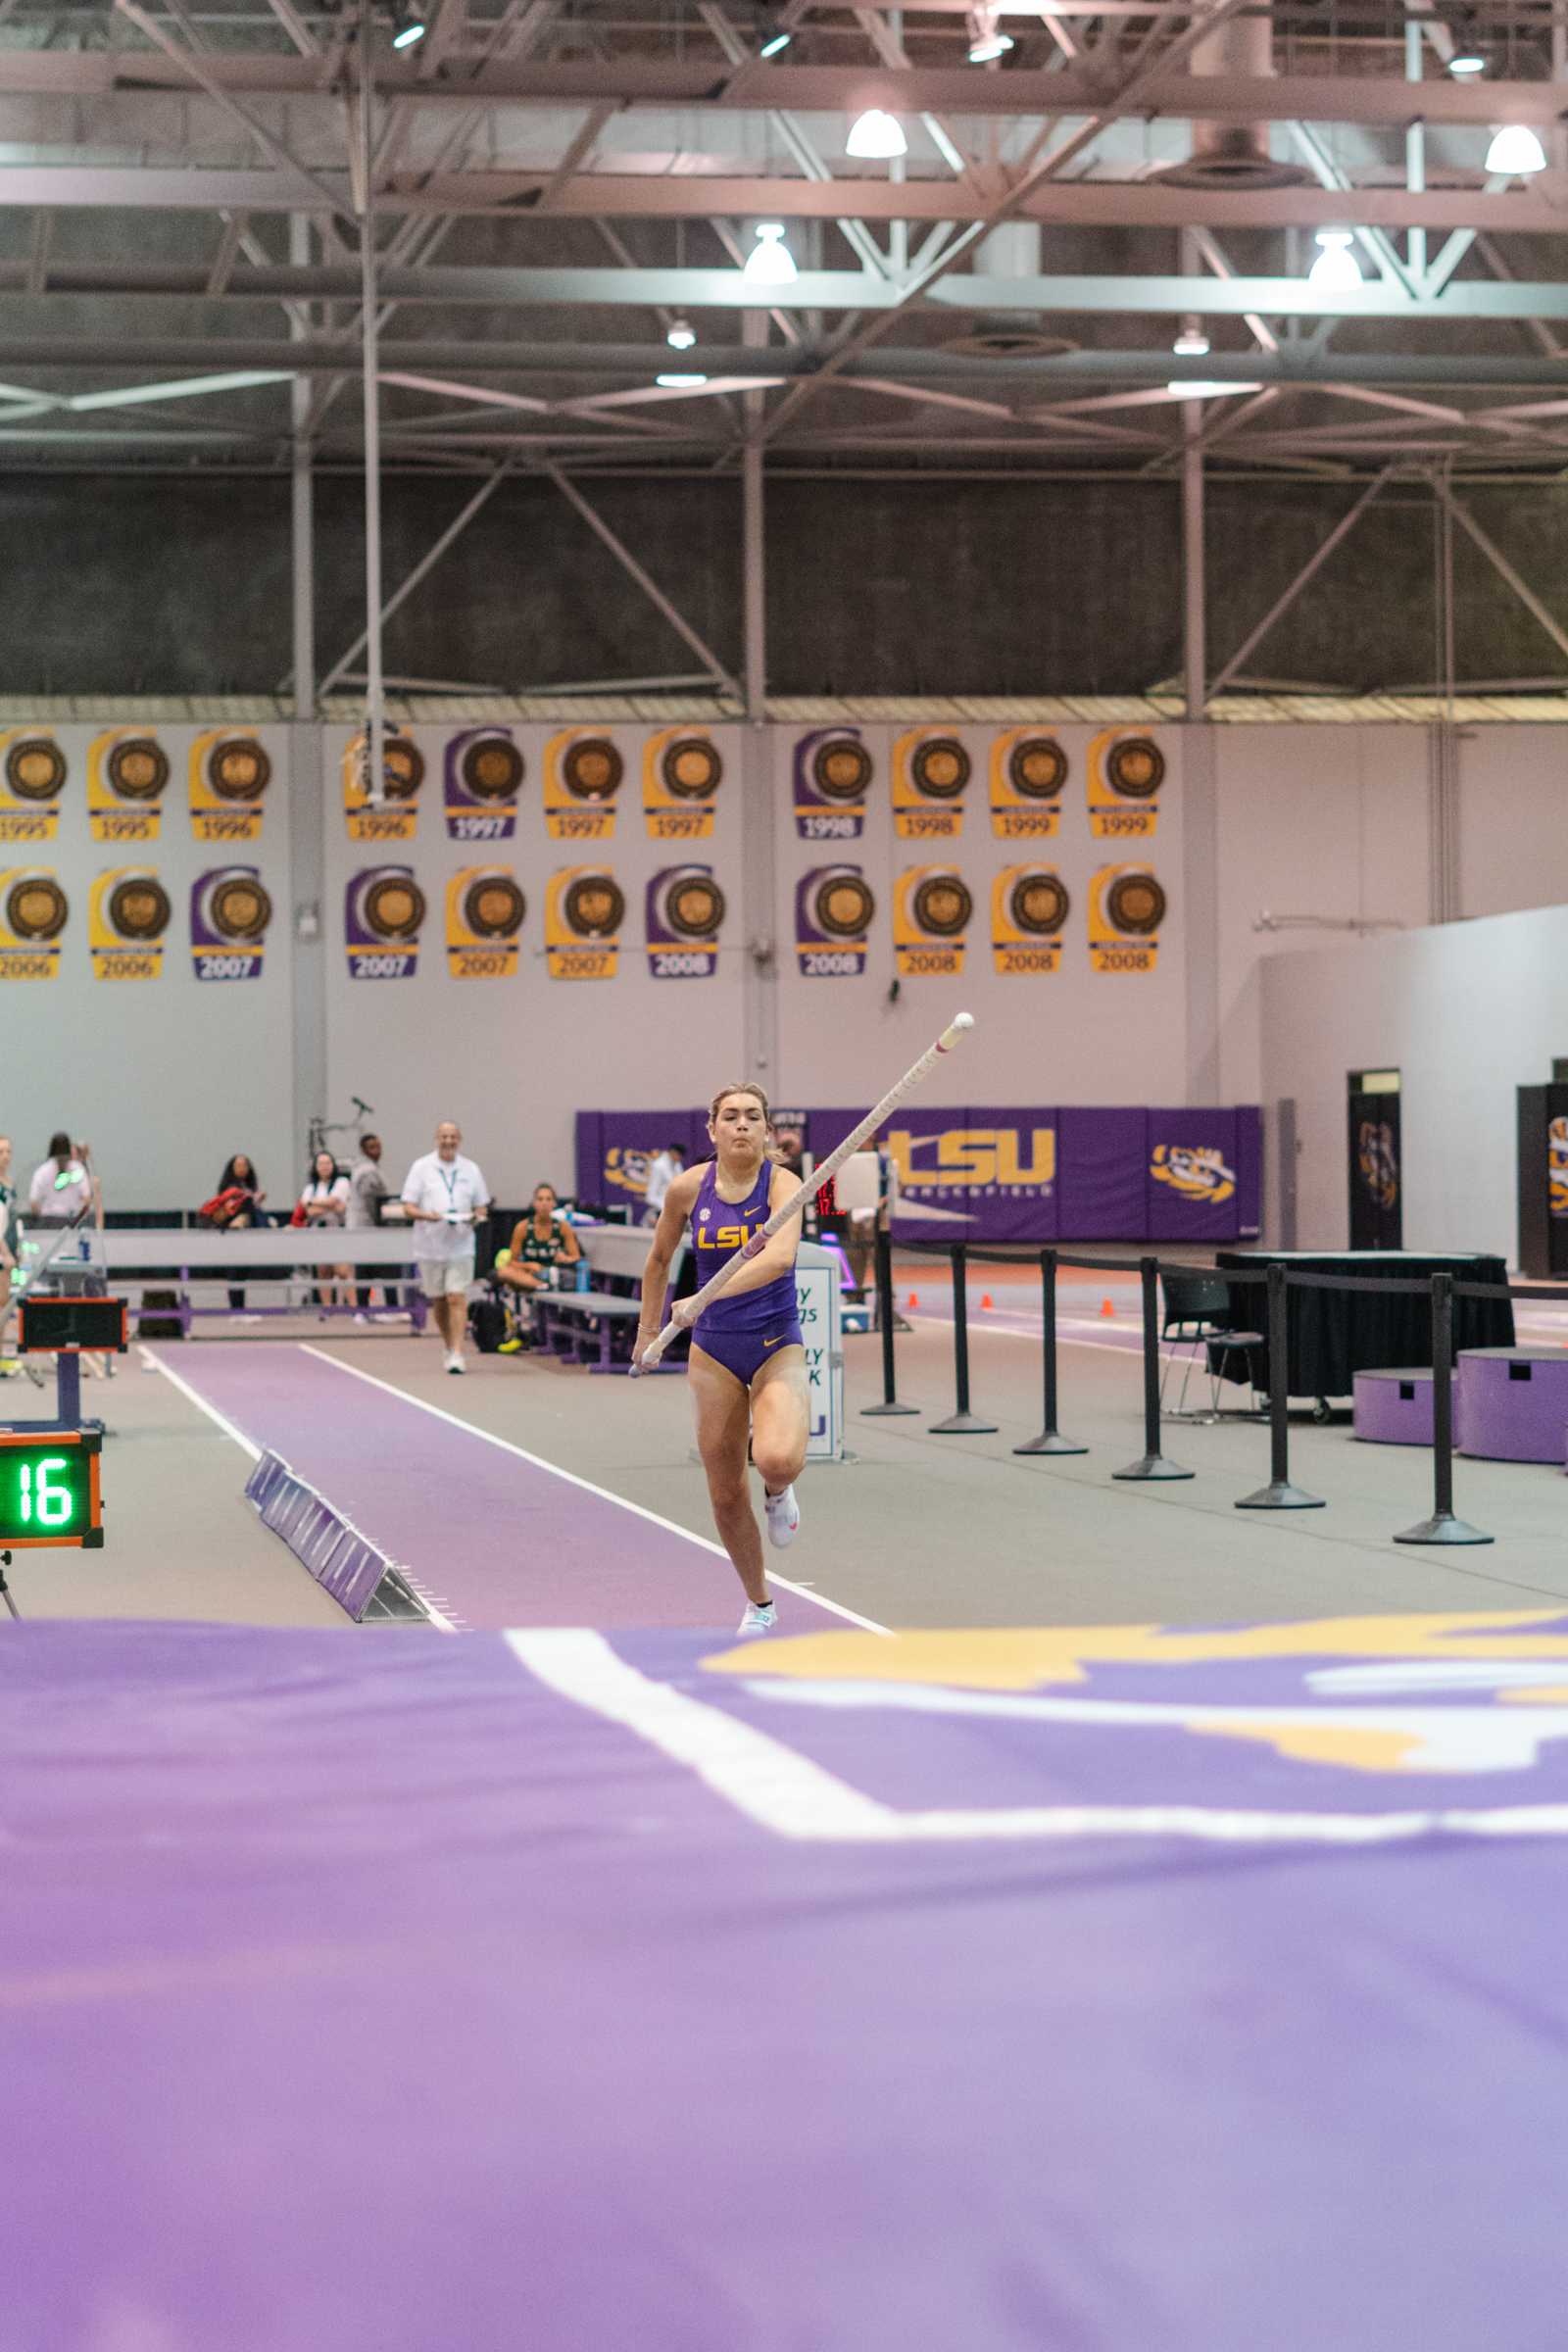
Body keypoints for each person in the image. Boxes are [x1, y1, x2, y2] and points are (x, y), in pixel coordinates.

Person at [635, 1082, 808, 1637]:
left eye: (752, 1117)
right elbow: (659, 1260)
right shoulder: (688, 1189)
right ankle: (760, 1604)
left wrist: (706, 1294)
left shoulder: (784, 1184)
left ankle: (779, 1490)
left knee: (777, 1459)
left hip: (775, 1341)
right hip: (713, 1351)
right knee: (725, 1488)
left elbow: (779, 1257)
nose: (740, 1125)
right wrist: (647, 1330)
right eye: (729, 1116)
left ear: (766, 1131)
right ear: (712, 1130)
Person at [401, 1120, 490, 1375]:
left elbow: (482, 1205)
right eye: (443, 1137)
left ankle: (459, 1353)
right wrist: (428, 1216)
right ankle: (449, 1344)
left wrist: (476, 1217)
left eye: (452, 1137)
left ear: (459, 1139)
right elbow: (408, 1206)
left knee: (456, 1296)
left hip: (461, 1243)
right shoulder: (421, 1167)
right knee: (439, 1300)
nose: (448, 1141)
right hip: (429, 1244)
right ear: (436, 1139)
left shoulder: (471, 1169)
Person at [495, 1183, 582, 1342]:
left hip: (552, 1275)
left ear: (554, 1204)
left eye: (548, 1199)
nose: (544, 1203)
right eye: (540, 1199)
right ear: (534, 1203)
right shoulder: (522, 1227)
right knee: (503, 1272)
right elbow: (512, 1262)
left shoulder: (562, 1227)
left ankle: (543, 1285)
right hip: (528, 1276)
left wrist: (565, 1258)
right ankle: (539, 1286)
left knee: (556, 1276)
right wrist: (528, 1265)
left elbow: (576, 1257)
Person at [210, 1152, 267, 1311]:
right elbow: (230, 1209)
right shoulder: (228, 1188)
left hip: (247, 1234)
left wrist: (256, 1199)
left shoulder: (248, 1186)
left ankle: (241, 1309)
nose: (242, 1168)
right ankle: (236, 1310)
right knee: (234, 1272)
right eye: (238, 1165)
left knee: (243, 1273)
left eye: (245, 1165)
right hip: (232, 1234)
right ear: (232, 1168)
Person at [297, 1150, 351, 1307]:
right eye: (321, 1163)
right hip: (318, 1233)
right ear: (315, 1167)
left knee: (343, 1272)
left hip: (338, 1231)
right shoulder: (310, 1187)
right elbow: (308, 1210)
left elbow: (338, 1204)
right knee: (323, 1272)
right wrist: (329, 1205)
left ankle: (355, 1309)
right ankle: (327, 1309)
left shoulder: (342, 1182)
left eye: (328, 1163)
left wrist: (314, 1203)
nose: (325, 1167)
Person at [347, 1134, 391, 1316]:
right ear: (364, 1150)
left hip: (364, 1227)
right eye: (372, 1147)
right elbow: (372, 1201)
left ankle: (365, 1311)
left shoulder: (365, 1167)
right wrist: (382, 1223)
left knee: (368, 1269)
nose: (377, 1150)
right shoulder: (367, 1171)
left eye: (379, 1146)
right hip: (367, 1226)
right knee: (366, 1270)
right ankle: (365, 1310)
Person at [29, 1132, 96, 1226]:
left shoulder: (42, 1171)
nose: (62, 1160)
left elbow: (87, 1199)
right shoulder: (43, 1172)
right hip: (53, 1220)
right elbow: (34, 1203)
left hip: (67, 1219)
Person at [0, 1135, 19, 1375]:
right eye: (0, 1151)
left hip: (10, 1247)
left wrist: (17, 1249)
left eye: (8, 1151)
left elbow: (11, 1221)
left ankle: (3, 1354)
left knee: (4, 1305)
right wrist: (5, 1254)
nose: (5, 1156)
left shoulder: (10, 1183)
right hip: (2, 1252)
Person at [643, 1143, 685, 1227]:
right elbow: (651, 1195)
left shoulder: (677, 1165)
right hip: (660, 1210)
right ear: (673, 1152)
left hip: (675, 1208)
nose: (680, 1158)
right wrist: (666, 1209)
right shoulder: (659, 1166)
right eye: (679, 1155)